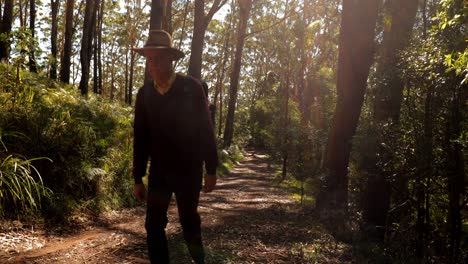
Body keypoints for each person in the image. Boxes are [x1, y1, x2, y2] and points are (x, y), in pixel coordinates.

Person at [132, 29, 219, 264]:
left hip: (188, 169)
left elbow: (205, 128)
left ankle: (198, 260)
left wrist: (211, 169)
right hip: (159, 170)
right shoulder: (145, 94)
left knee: (189, 220)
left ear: (171, 59)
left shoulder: (192, 88)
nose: (153, 64)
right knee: (154, 224)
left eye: (158, 58)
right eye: (149, 58)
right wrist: (138, 177)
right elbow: (140, 136)